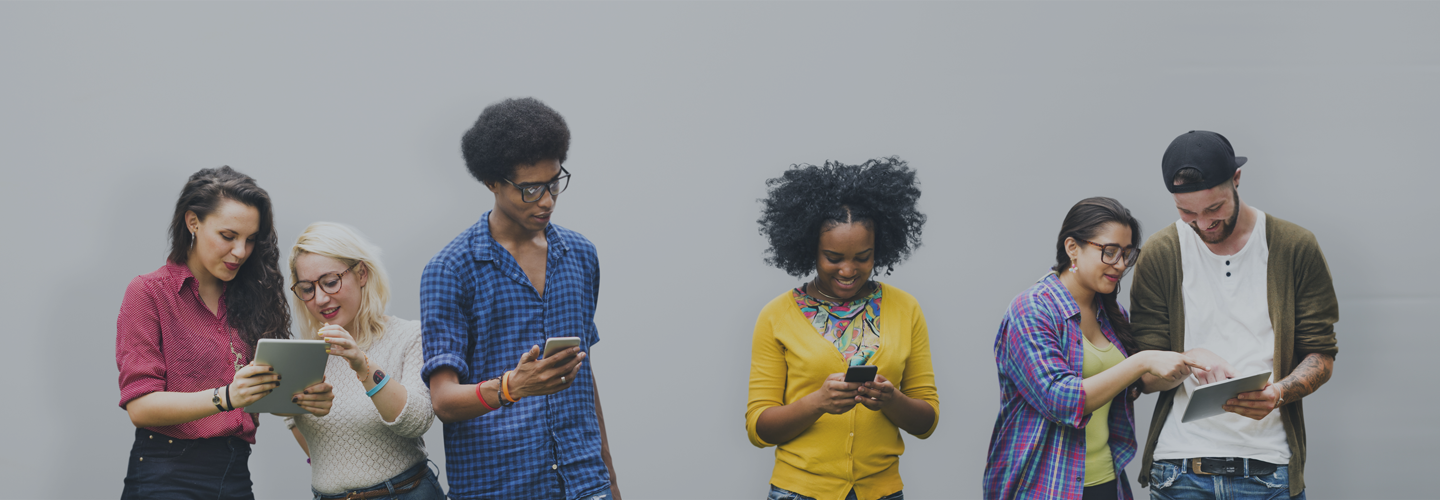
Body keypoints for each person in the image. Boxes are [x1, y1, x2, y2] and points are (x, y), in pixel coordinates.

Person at [421, 97, 619, 500]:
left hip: (584, 483)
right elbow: (443, 401)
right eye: (530, 189)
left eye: (553, 182)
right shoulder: (450, 269)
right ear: (492, 183)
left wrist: (610, 481)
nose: (546, 200)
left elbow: (582, 375)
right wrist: (512, 386)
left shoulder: (581, 255)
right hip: (498, 487)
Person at [1130, 131, 1340, 500]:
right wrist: (1186, 362)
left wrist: (1277, 393)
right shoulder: (1161, 253)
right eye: (1186, 212)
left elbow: (1321, 353)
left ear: (1237, 180)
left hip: (1269, 471)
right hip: (1180, 470)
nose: (1202, 223)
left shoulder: (1294, 247)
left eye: (1214, 209)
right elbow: (1144, 376)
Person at [116, 166, 334, 499]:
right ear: (193, 222)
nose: (241, 252)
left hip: (234, 472)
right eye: (228, 236)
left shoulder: (249, 297)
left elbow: (259, 394)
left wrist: (300, 400)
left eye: (250, 240)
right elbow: (141, 407)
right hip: (167, 474)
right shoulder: (149, 292)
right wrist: (228, 397)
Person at [984, 197, 1204, 500]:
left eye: (1127, 254)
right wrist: (1142, 361)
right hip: (1043, 486)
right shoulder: (1033, 309)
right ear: (1072, 247)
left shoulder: (1112, 315)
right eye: (1110, 251)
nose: (1121, 265)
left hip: (1105, 481)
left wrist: (1188, 361)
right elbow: (1060, 399)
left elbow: (1136, 386)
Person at [747, 157, 939, 500]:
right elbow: (759, 427)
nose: (848, 270)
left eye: (862, 257)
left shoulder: (906, 309)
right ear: (810, 249)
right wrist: (817, 402)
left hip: (882, 492)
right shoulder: (776, 315)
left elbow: (927, 421)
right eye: (833, 258)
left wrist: (891, 400)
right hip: (799, 492)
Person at [285, 222, 445, 499]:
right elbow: (296, 426)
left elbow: (417, 422)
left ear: (361, 273)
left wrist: (363, 365)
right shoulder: (303, 356)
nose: (321, 298)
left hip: (405, 493)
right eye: (307, 288)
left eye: (331, 282)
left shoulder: (409, 337)